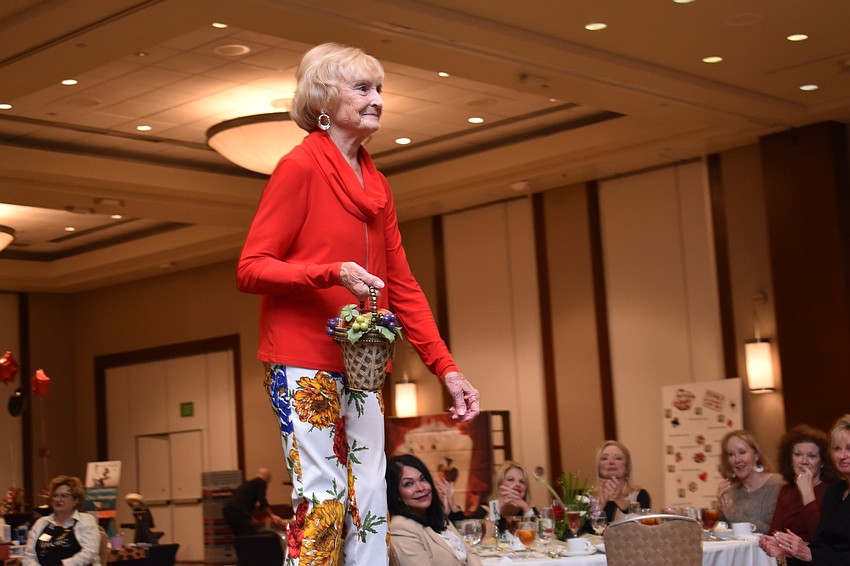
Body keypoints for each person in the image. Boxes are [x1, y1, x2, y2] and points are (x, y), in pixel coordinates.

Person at [236, 42, 480, 565]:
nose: (377, 100)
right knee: (322, 495)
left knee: (370, 491)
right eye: (362, 88)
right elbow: (251, 268)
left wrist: (448, 369)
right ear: (324, 100)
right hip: (302, 358)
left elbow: (404, 285)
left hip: (364, 364)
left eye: (379, 90)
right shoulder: (298, 168)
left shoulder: (378, 184)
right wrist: (332, 272)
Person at [761, 415, 850, 564]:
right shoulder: (836, 491)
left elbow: (822, 549)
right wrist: (788, 550)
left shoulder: (827, 488)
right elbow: (822, 543)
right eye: (837, 449)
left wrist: (809, 553)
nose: (842, 455)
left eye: (849, 448)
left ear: (822, 461)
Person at [387, 455, 483, 566]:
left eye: (423, 479)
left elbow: (470, 553)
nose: (420, 488)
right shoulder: (401, 527)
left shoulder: (437, 517)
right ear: (397, 494)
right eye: (409, 484)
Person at [765, 425, 838, 547]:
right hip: (786, 558)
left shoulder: (832, 490)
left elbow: (821, 539)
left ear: (822, 462)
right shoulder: (786, 490)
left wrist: (807, 493)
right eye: (798, 454)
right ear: (790, 459)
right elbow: (774, 533)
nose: (804, 461)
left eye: (812, 456)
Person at [23, 475, 99, 566]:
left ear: (76, 500)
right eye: (55, 495)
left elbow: (89, 553)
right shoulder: (41, 523)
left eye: (64, 496)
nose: (58, 500)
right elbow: (29, 556)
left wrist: (63, 564)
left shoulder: (86, 520)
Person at [716, 429, 783, 533]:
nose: (737, 460)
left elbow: (773, 531)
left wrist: (733, 515)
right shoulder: (731, 491)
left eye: (742, 452)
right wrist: (721, 510)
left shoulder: (776, 484)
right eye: (731, 454)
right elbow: (723, 531)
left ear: (756, 455)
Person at [592, 440, 650, 523]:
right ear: (599, 468)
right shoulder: (589, 498)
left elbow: (643, 528)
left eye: (618, 458)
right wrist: (599, 506)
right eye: (604, 458)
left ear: (627, 468)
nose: (611, 462)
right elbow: (580, 532)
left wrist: (620, 500)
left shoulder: (640, 495)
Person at [222, 468, 285, 536]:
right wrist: (271, 514)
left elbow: (243, 501)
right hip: (237, 512)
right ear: (267, 477)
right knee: (249, 535)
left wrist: (250, 518)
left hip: (227, 510)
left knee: (240, 535)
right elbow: (262, 499)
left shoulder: (248, 483)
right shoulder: (261, 482)